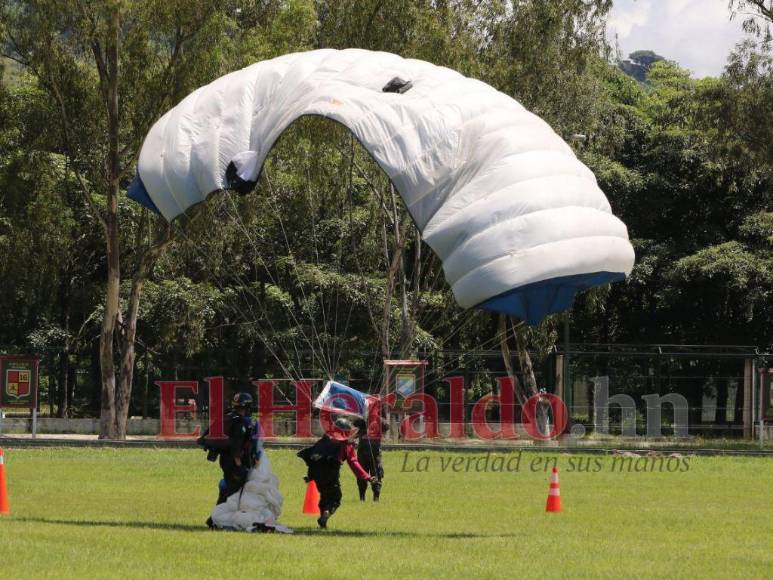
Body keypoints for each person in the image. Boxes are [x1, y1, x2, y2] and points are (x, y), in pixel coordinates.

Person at [297, 417, 375, 529]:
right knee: (335, 498)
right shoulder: (346, 445)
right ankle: (326, 514)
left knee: (324, 496)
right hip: (331, 473)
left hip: (316, 474)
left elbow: (313, 457)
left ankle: (323, 522)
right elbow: (354, 463)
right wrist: (367, 477)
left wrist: (310, 476)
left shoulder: (325, 439)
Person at [198, 391, 258, 528]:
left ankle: (213, 520)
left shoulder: (228, 417)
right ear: (248, 406)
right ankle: (219, 521)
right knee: (233, 493)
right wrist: (239, 466)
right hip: (233, 463)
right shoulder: (239, 423)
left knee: (227, 491)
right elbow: (236, 446)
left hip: (226, 461)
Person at [354, 416, 389, 502]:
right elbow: (355, 432)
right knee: (362, 475)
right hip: (362, 452)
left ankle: (376, 498)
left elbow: (386, 427)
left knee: (376, 474)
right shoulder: (362, 420)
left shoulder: (380, 420)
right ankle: (362, 498)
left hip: (375, 453)